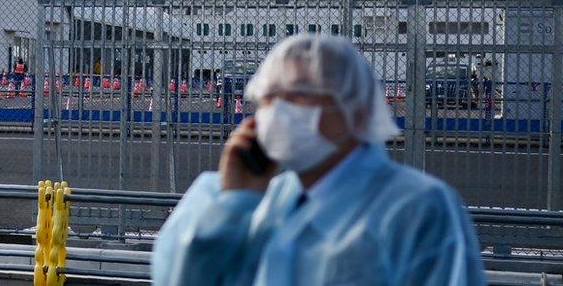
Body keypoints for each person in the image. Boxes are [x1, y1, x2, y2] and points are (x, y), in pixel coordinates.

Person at [152, 35, 485, 285]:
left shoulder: (417, 207)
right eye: (269, 98)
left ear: (354, 108)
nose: (277, 112)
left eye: (298, 95)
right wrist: (234, 199)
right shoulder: (271, 200)